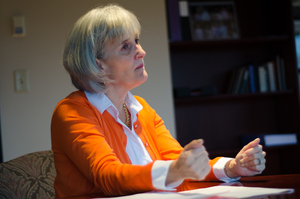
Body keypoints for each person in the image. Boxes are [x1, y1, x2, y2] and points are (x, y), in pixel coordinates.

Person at [51, 4, 266, 198]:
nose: (141, 52)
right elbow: (108, 176)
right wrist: (174, 171)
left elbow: (179, 163)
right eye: (125, 47)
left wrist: (231, 167)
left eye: (136, 41)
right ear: (99, 65)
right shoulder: (72, 112)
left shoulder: (142, 109)